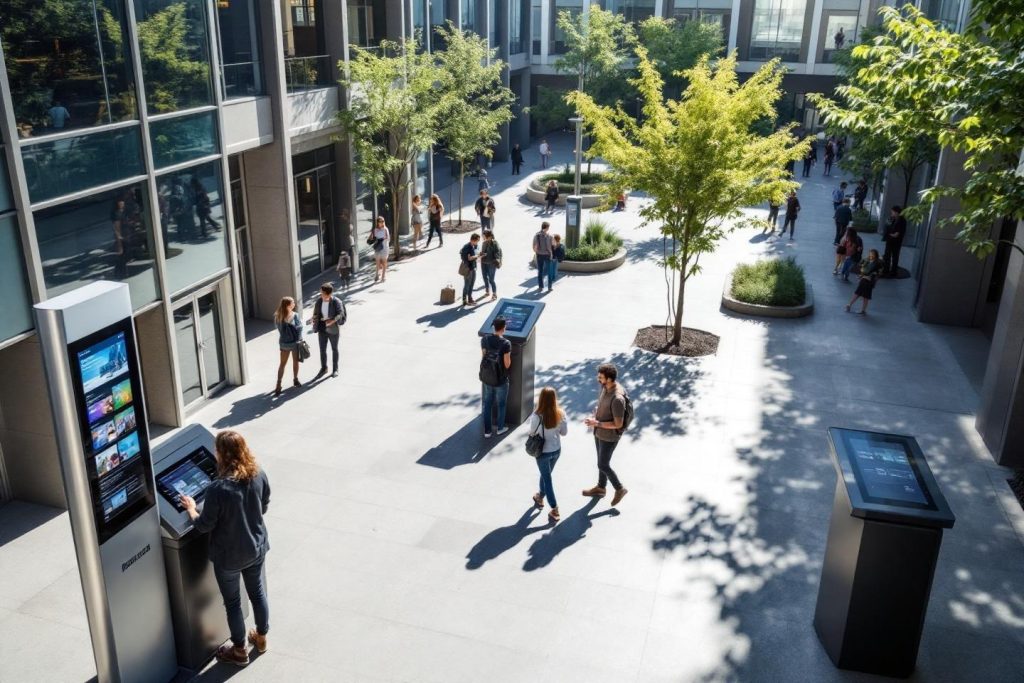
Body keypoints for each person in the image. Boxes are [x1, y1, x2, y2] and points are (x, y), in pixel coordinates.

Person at [180, 430, 271, 668]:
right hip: (256, 547)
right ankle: (260, 639)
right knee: (257, 593)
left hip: (229, 557)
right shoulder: (258, 474)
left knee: (232, 603)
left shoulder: (217, 489)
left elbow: (203, 525)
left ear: (221, 454)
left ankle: (239, 650)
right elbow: (264, 505)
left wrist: (191, 508)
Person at [582, 363, 628, 506]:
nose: (598, 378)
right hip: (599, 432)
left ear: (609, 379)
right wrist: (597, 412)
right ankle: (601, 488)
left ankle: (619, 488)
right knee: (601, 462)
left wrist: (597, 423)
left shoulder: (617, 398)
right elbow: (603, 404)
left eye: (601, 377)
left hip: (609, 436)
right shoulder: (605, 387)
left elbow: (618, 424)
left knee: (602, 464)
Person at [529, 387, 568, 523]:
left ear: (541, 399)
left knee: (547, 479)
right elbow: (564, 433)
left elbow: (532, 432)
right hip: (556, 450)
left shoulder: (536, 415)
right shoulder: (561, 413)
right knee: (546, 474)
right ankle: (540, 496)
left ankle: (555, 508)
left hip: (542, 452)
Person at [480, 316, 512, 437]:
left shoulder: (485, 339)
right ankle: (500, 428)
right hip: (500, 379)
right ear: (504, 328)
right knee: (501, 404)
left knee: (487, 403)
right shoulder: (506, 343)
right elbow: (507, 364)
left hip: (487, 377)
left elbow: (484, 356)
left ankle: (487, 431)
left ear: (494, 327)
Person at [310, 283, 345, 378]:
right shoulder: (319, 301)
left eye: (321, 292)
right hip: (321, 328)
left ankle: (335, 369)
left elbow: (340, 314)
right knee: (322, 349)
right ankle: (324, 368)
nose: (320, 293)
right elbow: (316, 313)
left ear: (327, 293)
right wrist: (313, 318)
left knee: (334, 349)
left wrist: (332, 321)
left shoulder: (336, 301)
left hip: (333, 328)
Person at [273, 297, 303, 396]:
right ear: (288, 305)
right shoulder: (295, 315)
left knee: (282, 364)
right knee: (295, 362)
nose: (294, 303)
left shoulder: (278, 316)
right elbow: (299, 328)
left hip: (283, 343)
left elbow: (279, 329)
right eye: (293, 302)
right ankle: (295, 380)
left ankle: (278, 384)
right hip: (294, 343)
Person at [847, 249, 882, 314]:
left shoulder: (877, 263)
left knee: (864, 296)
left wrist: (874, 280)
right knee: (859, 293)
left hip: (869, 281)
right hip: (864, 279)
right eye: (870, 254)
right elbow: (862, 268)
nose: (871, 255)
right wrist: (861, 275)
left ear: (875, 255)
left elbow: (878, 273)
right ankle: (851, 305)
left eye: (872, 254)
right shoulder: (867, 260)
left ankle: (859, 308)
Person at [882, 205, 907, 277]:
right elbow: (887, 226)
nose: (891, 213)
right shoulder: (892, 219)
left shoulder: (902, 221)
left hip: (896, 242)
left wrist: (889, 234)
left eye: (892, 212)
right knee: (887, 256)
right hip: (889, 241)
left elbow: (897, 234)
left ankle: (893, 272)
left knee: (894, 256)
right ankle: (886, 270)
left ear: (897, 212)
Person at [479, 229, 502, 302]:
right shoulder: (484, 243)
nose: (483, 237)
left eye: (484, 236)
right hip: (484, 263)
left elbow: (498, 253)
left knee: (491, 279)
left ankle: (494, 293)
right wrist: (481, 254)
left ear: (489, 236)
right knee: (485, 278)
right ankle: (487, 291)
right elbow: (482, 252)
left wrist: (497, 260)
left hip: (491, 264)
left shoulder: (495, 243)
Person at [533, 221, 554, 291]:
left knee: (540, 271)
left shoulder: (537, 235)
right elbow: (553, 245)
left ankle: (540, 287)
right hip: (547, 255)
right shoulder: (549, 236)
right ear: (547, 227)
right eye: (548, 227)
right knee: (549, 271)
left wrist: (537, 252)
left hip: (540, 255)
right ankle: (550, 287)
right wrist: (551, 254)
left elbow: (534, 247)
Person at [460, 233, 480, 306]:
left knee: (470, 284)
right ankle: (466, 300)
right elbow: (469, 258)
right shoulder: (468, 247)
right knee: (468, 284)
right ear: (473, 240)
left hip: (472, 268)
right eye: (477, 240)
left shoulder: (470, 246)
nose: (478, 242)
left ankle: (468, 299)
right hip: (469, 269)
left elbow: (461, 252)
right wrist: (477, 256)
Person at [371, 216, 390, 282]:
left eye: (383, 221)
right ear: (378, 222)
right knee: (378, 263)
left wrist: (383, 239)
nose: (382, 223)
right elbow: (373, 238)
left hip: (384, 248)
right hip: (378, 248)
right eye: (381, 221)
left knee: (384, 262)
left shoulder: (385, 229)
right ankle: (377, 275)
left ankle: (383, 276)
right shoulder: (375, 230)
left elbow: (388, 239)